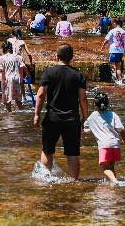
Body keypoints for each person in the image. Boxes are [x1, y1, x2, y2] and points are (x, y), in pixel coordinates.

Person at [33, 43, 89, 180]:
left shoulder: (49, 72)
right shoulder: (78, 75)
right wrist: (85, 117)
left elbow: (40, 95)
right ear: (72, 58)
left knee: (47, 150)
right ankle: (74, 182)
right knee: (73, 154)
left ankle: (46, 179)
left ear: (56, 56)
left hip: (52, 118)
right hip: (72, 119)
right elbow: (83, 98)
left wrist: (36, 114)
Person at [82, 92, 125, 184]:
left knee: (104, 168)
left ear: (95, 104)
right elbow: (121, 129)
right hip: (115, 145)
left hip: (104, 146)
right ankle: (112, 185)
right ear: (107, 103)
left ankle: (115, 182)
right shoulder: (113, 114)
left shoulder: (92, 116)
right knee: (111, 167)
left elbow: (86, 130)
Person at [0, 41, 25, 111]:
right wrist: (29, 76)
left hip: (8, 80)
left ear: (4, 49)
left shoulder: (2, 58)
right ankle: (21, 111)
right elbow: (24, 67)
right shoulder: (18, 57)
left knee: (7, 100)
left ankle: (9, 113)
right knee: (18, 99)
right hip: (17, 79)